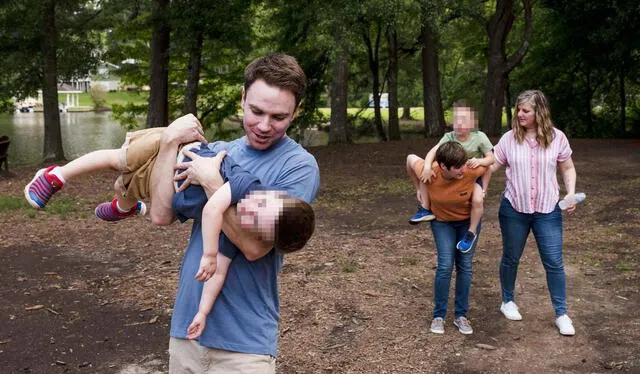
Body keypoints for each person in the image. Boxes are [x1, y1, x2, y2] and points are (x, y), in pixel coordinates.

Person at [150, 53, 320, 373]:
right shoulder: (217, 151)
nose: (264, 126)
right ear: (242, 98)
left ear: (295, 113)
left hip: (245, 344)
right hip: (187, 327)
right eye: (256, 111)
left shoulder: (299, 167)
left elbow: (255, 247)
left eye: (278, 116)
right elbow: (161, 214)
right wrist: (169, 141)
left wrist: (213, 182)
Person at [484, 90, 578, 336]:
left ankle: (561, 314)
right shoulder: (508, 139)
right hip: (514, 208)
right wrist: (476, 184)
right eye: (518, 110)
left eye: (526, 110)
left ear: (539, 112)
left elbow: (567, 167)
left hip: (548, 210)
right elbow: (491, 165)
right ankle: (508, 301)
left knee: (554, 263)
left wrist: (570, 193)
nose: (520, 114)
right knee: (511, 258)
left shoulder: (557, 138)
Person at [407, 141, 487, 335]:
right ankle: (439, 316)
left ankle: (461, 315)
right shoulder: (432, 172)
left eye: (463, 164)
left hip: (467, 223)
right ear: (443, 167)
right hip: (442, 222)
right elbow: (410, 159)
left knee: (465, 266)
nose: (462, 170)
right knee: (444, 265)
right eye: (457, 167)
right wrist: (418, 185)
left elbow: (492, 162)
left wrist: (481, 189)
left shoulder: (469, 169)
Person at [407, 100, 494, 253]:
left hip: (473, 173)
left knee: (478, 199)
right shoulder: (449, 136)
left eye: (464, 121)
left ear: (473, 123)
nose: (460, 124)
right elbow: (433, 151)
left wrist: (479, 161)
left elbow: (491, 159)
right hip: (456, 174)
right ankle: (424, 208)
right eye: (456, 120)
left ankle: (471, 232)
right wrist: (427, 167)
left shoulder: (480, 137)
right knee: (426, 176)